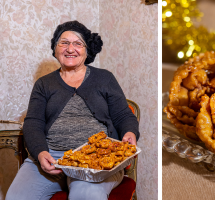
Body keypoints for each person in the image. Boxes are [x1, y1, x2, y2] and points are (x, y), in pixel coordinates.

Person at [6, 20, 140, 200]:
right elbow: (33, 123)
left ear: (87, 51)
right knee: (16, 197)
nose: (70, 49)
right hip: (52, 156)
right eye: (64, 42)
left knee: (85, 196)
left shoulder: (105, 78)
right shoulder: (44, 84)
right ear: (55, 48)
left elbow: (123, 115)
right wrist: (40, 152)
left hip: (96, 159)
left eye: (78, 43)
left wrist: (130, 132)